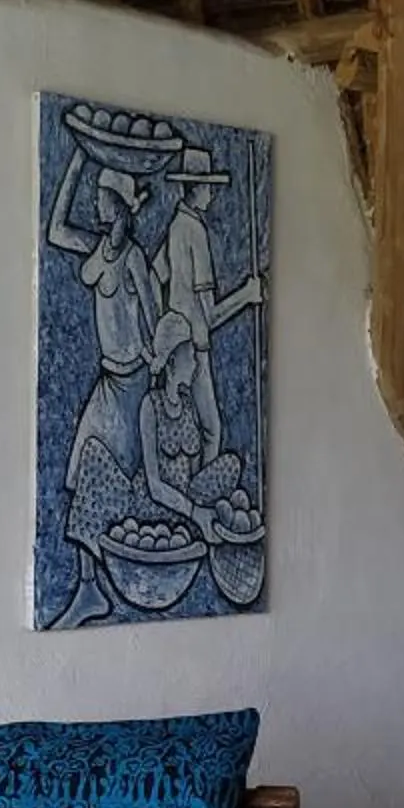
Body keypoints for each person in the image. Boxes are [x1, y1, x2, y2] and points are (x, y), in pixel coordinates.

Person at [41, 148, 175, 627]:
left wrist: (154, 363)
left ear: (119, 206)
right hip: (106, 381)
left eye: (102, 197)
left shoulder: (134, 258)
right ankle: (88, 586)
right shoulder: (99, 248)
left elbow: (155, 316)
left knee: (109, 481)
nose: (96, 206)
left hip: (132, 385)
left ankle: (99, 586)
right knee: (81, 472)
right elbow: (55, 230)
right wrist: (75, 158)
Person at [149, 148, 266, 542]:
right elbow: (210, 315)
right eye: (208, 189)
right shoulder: (194, 232)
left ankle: (191, 510)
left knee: (198, 430)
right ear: (195, 189)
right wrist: (247, 295)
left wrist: (163, 318)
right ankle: (199, 517)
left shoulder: (174, 227)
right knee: (211, 430)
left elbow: (154, 273)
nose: (212, 196)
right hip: (193, 347)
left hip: (177, 341)